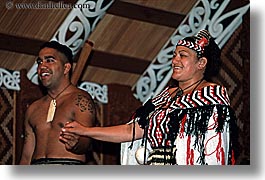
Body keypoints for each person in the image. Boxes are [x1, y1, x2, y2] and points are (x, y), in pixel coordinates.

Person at [61, 29, 238, 165]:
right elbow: (130, 131)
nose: (174, 60)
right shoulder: (164, 97)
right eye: (174, 55)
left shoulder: (212, 94)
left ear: (201, 63)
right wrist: (85, 130)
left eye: (182, 56)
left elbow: (216, 149)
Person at [19, 41, 96, 165]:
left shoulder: (80, 100)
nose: (42, 66)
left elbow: (86, 141)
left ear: (66, 68)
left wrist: (76, 143)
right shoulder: (33, 109)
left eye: (49, 60)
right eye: (39, 62)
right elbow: (26, 157)